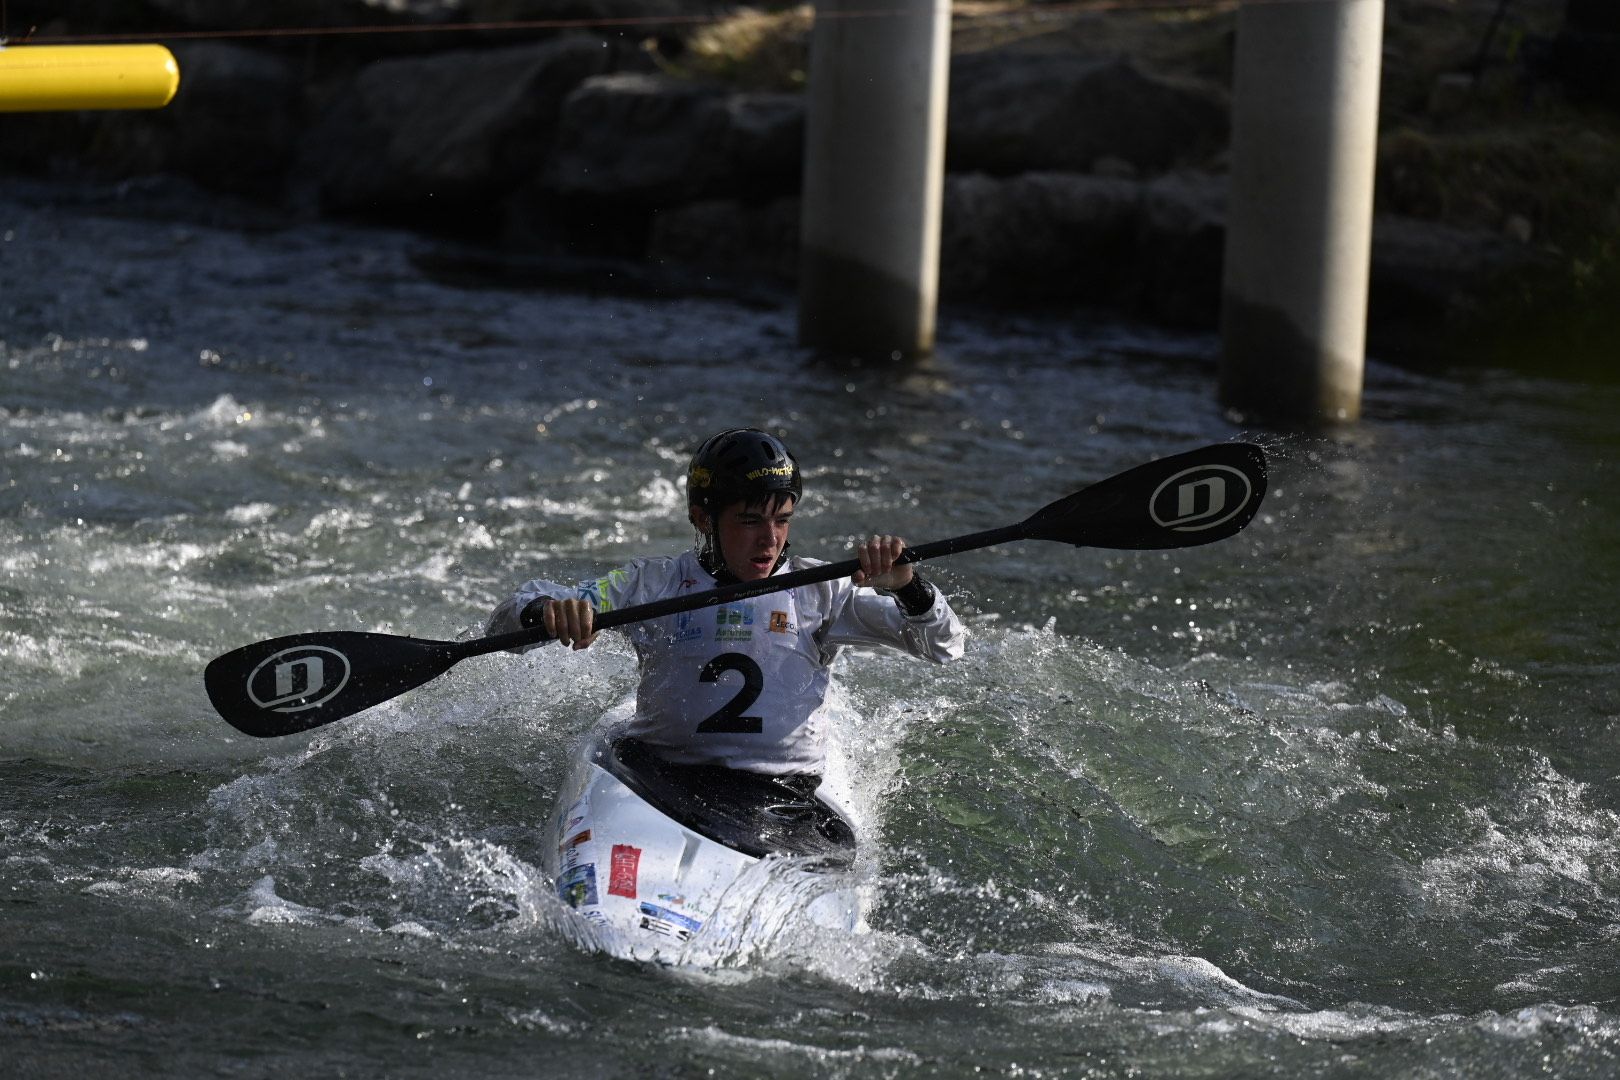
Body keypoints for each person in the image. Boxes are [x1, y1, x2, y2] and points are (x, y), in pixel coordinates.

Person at [486, 428, 966, 781]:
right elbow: (509, 616)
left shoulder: (821, 589)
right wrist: (546, 611)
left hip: (783, 790)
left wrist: (907, 586)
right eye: (750, 521)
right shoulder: (654, 583)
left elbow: (944, 647)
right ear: (703, 518)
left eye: (782, 520)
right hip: (659, 777)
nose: (770, 540)